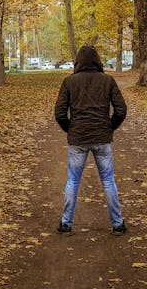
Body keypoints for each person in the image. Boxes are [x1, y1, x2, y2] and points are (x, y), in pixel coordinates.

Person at [54, 44, 127, 235]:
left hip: (78, 140)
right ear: (97, 61)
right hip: (102, 138)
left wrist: (71, 129)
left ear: (78, 61)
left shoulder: (69, 82)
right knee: (108, 180)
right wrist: (110, 126)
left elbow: (60, 113)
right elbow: (121, 110)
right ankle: (117, 224)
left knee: (73, 180)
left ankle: (66, 224)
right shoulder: (108, 80)